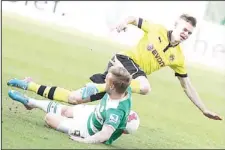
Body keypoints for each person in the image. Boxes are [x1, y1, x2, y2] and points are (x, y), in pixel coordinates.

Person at [7, 14, 222, 121]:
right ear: (175, 25)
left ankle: (30, 87)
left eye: (189, 33)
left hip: (122, 78)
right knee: (145, 87)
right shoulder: (156, 29)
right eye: (184, 29)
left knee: (75, 98)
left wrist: (203, 109)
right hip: (122, 61)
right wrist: (122, 24)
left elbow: (187, 86)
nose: (185, 34)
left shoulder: (179, 58)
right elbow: (135, 19)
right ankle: (112, 92)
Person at [7, 66, 140, 145]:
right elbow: (124, 78)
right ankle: (30, 102)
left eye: (106, 80)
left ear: (111, 85)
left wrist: (84, 141)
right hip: (94, 113)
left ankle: (31, 102)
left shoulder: (114, 113)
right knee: (66, 111)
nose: (104, 80)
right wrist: (94, 88)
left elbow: (105, 134)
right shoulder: (124, 88)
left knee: (50, 117)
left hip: (89, 129)